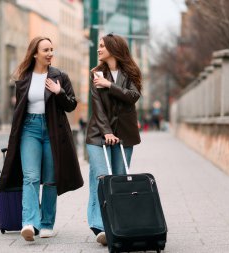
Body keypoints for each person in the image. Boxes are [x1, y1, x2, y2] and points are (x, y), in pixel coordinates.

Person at [0, 36, 83, 241]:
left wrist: (59, 91)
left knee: (51, 180)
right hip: (30, 130)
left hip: (53, 131)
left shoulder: (60, 75)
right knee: (31, 177)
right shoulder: (24, 78)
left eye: (52, 49)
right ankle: (29, 223)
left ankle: (46, 224)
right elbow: (19, 109)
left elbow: (71, 104)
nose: (50, 53)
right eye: (46, 50)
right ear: (35, 53)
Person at [85, 33, 142, 246]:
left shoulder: (130, 72)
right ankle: (100, 227)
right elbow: (97, 107)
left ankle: (118, 225)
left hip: (124, 135)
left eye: (102, 46)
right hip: (98, 134)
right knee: (101, 176)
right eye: (98, 45)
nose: (99, 49)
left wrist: (109, 85)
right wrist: (107, 132)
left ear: (113, 47)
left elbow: (133, 96)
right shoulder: (96, 73)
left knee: (119, 179)